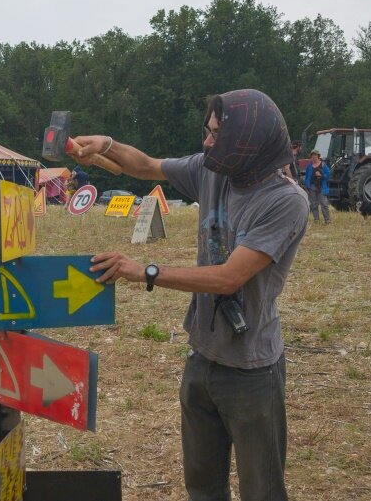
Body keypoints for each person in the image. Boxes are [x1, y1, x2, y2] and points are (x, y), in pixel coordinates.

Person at [71, 89, 309, 501]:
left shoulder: (285, 201)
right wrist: (105, 146)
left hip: (252, 368)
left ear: (248, 144)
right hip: (202, 356)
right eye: (208, 131)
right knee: (201, 486)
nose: (206, 143)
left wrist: (143, 270)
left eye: (218, 135)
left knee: (262, 490)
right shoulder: (212, 170)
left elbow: (228, 278)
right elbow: (146, 166)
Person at [304, 149, 331, 223]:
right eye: (312, 155)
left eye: (315, 155)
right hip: (312, 186)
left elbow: (328, 174)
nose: (314, 157)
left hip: (321, 186)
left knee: (324, 203)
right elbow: (306, 177)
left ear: (318, 156)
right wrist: (307, 185)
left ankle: (327, 219)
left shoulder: (323, 165)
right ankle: (316, 219)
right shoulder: (309, 166)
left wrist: (321, 175)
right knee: (313, 204)